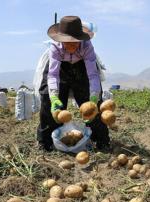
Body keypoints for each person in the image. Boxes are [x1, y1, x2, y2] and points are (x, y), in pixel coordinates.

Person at [37, 16, 110, 152]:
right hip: (60, 69)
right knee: (47, 98)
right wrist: (54, 97)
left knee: (92, 105)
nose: (71, 45)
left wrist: (94, 97)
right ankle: (45, 142)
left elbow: (93, 75)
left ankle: (101, 140)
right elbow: (52, 75)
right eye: (67, 42)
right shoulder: (55, 48)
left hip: (82, 67)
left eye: (75, 42)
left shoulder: (87, 46)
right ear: (60, 39)